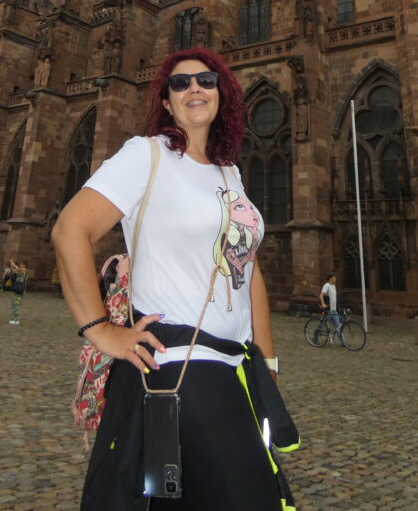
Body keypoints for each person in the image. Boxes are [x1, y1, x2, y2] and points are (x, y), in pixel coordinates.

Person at [52, 48, 296, 511]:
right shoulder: (146, 155)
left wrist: (267, 364)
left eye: (205, 80)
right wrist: (100, 330)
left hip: (235, 368)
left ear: (222, 94)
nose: (194, 88)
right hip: (181, 364)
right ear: (166, 101)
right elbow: (70, 229)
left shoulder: (229, 173)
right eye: (180, 83)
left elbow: (248, 270)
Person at [319, 271, 342, 343]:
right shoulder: (326, 285)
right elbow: (321, 295)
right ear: (330, 278)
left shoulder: (333, 286)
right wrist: (323, 304)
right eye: (334, 277)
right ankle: (315, 336)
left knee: (338, 326)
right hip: (328, 310)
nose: (336, 279)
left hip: (334, 310)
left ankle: (343, 342)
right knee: (321, 325)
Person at [8, 258, 28, 325]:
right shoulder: (20, 271)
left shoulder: (24, 270)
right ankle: (14, 319)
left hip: (20, 291)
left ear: (25, 265)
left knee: (16, 305)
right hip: (17, 290)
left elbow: (18, 269)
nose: (20, 265)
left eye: (21, 264)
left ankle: (16, 320)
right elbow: (14, 270)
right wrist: (11, 264)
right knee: (14, 304)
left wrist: (13, 264)